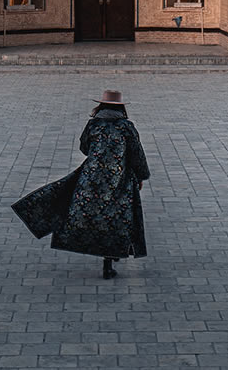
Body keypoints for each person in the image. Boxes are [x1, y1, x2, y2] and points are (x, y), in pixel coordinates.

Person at [12, 89, 150, 279]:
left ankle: (108, 257)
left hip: (91, 178)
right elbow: (137, 155)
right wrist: (141, 175)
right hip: (120, 178)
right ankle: (110, 259)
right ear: (121, 108)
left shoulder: (94, 126)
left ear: (101, 106)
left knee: (96, 215)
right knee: (116, 217)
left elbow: (84, 147)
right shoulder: (126, 128)